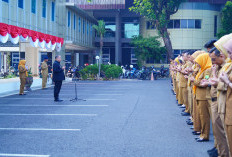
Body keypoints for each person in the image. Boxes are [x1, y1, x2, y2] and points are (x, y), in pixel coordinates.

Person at [190, 53, 212, 142]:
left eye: (198, 62)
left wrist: (193, 80)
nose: (197, 64)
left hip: (203, 96)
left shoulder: (207, 70)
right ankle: (202, 133)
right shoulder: (202, 69)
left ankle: (205, 135)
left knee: (204, 116)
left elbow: (204, 83)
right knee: (201, 116)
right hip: (199, 95)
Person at [219, 38, 232, 156]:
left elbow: (223, 82)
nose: (228, 56)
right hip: (226, 104)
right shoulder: (228, 66)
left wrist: (227, 81)